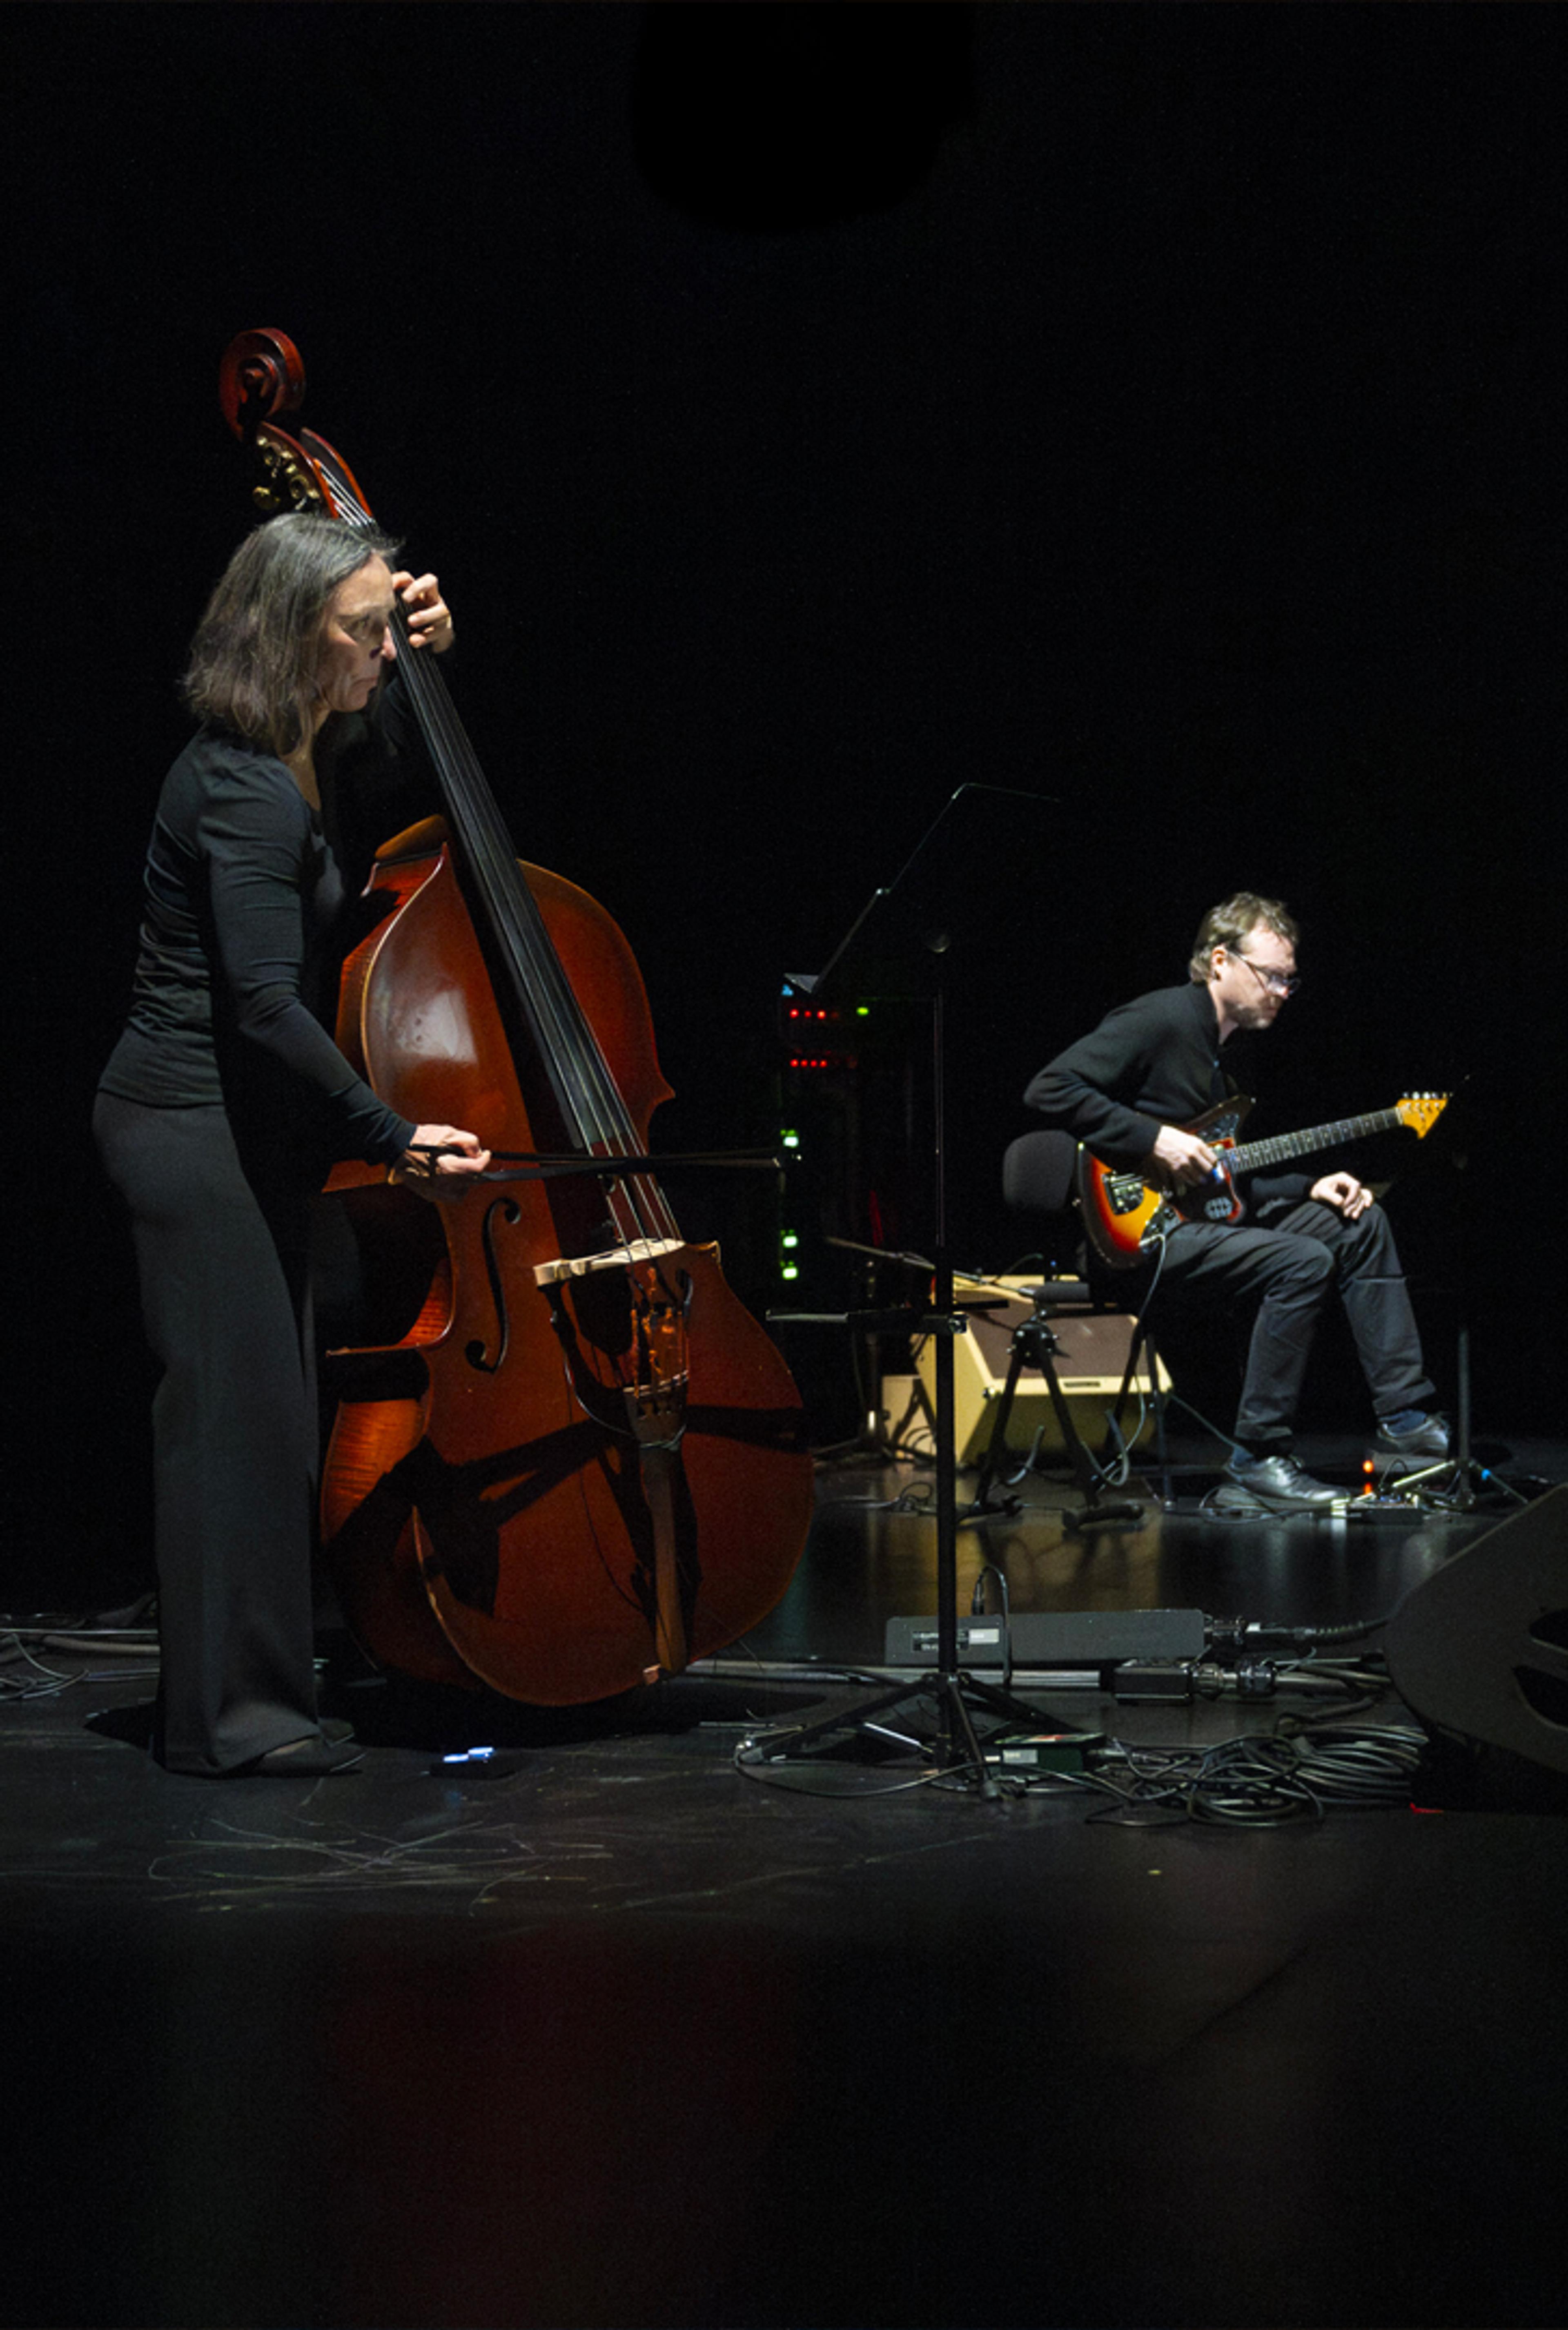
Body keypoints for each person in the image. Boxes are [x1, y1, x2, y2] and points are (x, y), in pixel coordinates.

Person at [94, 513, 491, 1774]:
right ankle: (230, 1725)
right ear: (289, 633)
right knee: (233, 1426)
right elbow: (265, 1004)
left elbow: (405, 772)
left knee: (268, 1419)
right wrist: (390, 1134)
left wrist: (434, 646)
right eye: (364, 628)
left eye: (388, 624)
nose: (383, 648)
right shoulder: (243, 789)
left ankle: (256, 1703)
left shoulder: (305, 754)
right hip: (183, 1125)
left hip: (240, 1135)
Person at [1023, 892, 1447, 1513]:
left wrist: (1309, 1186)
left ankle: (1406, 1424)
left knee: (1360, 1221)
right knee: (1302, 1261)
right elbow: (1049, 1088)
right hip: (1138, 1238)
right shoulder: (1164, 1017)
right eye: (1271, 975)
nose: (1281, 990)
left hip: (1200, 1221)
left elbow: (1228, 1185)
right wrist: (1153, 1137)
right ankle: (1257, 1458)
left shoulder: (1231, 1057)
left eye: (1289, 980)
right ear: (1220, 960)